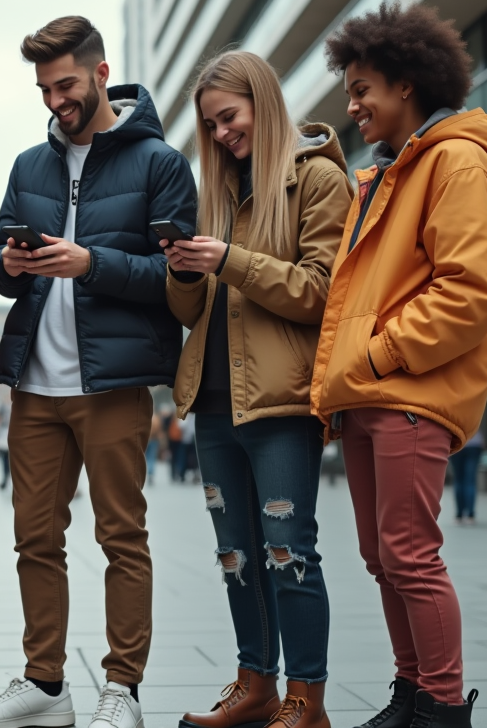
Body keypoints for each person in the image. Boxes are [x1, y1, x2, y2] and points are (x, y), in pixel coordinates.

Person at [0, 16, 196, 728]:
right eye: (42, 88)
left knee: (121, 537)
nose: (53, 101)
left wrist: (91, 263)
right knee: (35, 537)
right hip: (35, 385)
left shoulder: (160, 163)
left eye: (64, 85)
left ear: (99, 73)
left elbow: (176, 281)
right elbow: (1, 265)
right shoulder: (29, 164)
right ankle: (46, 684)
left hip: (116, 384)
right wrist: (12, 263)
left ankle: (121, 687)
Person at [313, 1, 487, 728]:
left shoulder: (456, 162)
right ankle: (412, 692)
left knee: (409, 553)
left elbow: (471, 291)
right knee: (381, 554)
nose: (354, 105)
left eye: (363, 89)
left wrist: (378, 353)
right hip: (370, 391)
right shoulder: (388, 175)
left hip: (408, 392)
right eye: (349, 91)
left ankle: (443, 705)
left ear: (408, 84)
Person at [163, 50, 350, 728]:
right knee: (236, 556)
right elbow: (190, 312)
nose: (219, 136)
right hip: (212, 402)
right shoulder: (214, 192)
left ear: (263, 105)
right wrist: (186, 271)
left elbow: (323, 292)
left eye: (229, 118)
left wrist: (229, 260)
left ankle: (307, 699)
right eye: (210, 125)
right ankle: (254, 683)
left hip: (281, 401)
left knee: (287, 552)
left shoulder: (319, 180)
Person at [450, 432, 484, 525]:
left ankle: (459, 515)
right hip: (474, 443)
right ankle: (470, 515)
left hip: (457, 441)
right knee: (470, 481)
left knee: (458, 479)